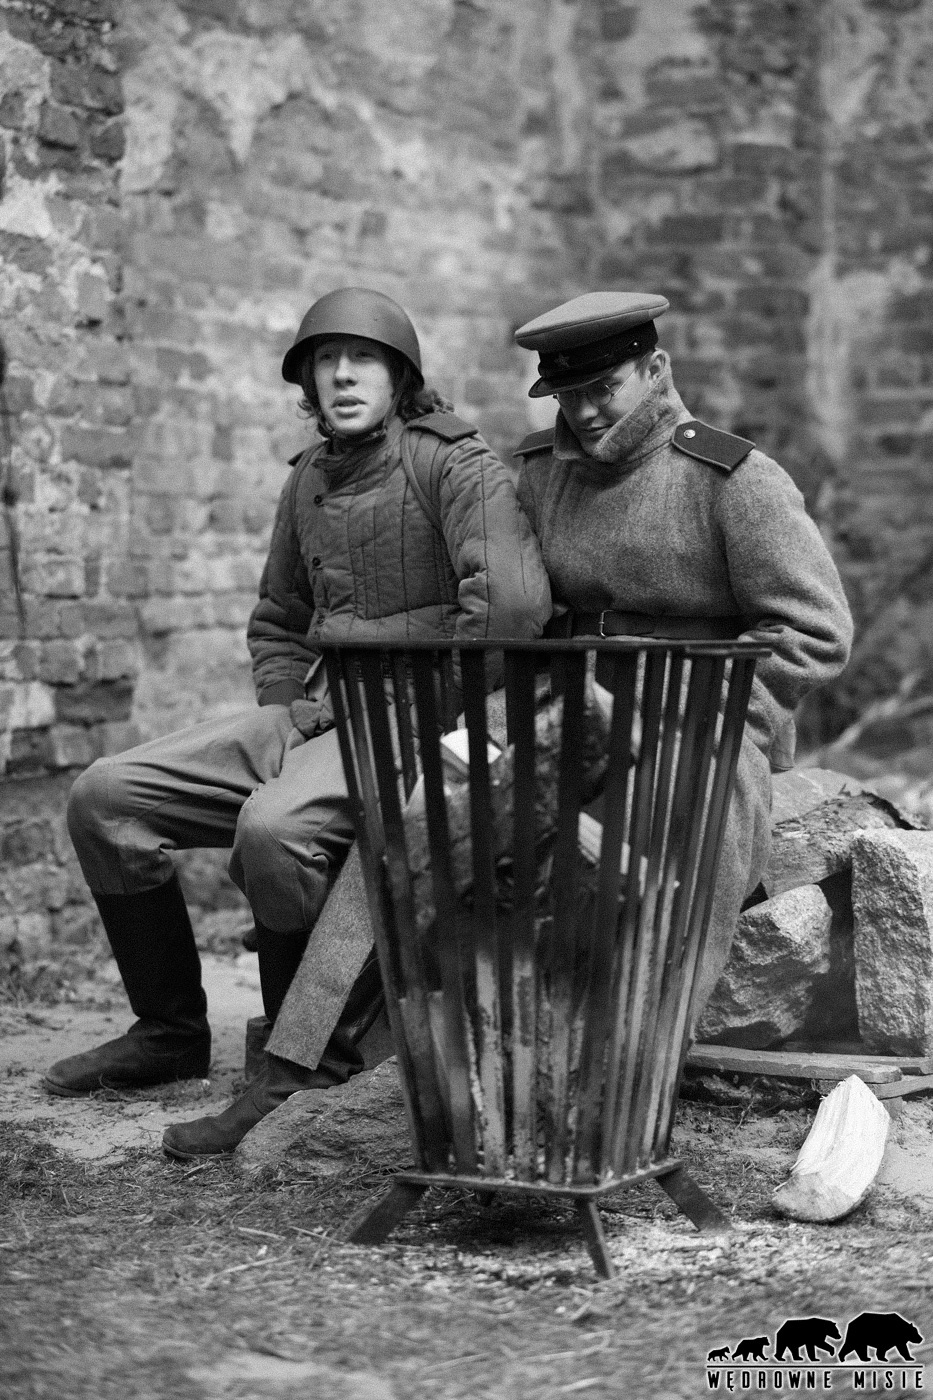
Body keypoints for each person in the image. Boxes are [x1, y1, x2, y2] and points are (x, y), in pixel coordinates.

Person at [45, 288, 551, 1157]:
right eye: (325, 361)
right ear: (307, 383)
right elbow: (279, 616)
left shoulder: (454, 465)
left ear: (400, 376)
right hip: (320, 711)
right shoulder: (309, 478)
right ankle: (169, 1032)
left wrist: (446, 721)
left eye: (363, 359)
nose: (343, 376)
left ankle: (298, 1057)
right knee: (105, 797)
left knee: (273, 830)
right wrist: (284, 707)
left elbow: (509, 608)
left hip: (417, 727)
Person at [512, 290, 853, 1015]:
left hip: (699, 714)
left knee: (697, 821)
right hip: (568, 706)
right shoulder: (541, 474)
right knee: (439, 795)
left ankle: (646, 1043)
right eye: (567, 395)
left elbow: (814, 628)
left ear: (654, 368)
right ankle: (363, 1042)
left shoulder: (733, 478)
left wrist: (726, 716)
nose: (585, 412)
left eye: (604, 388)